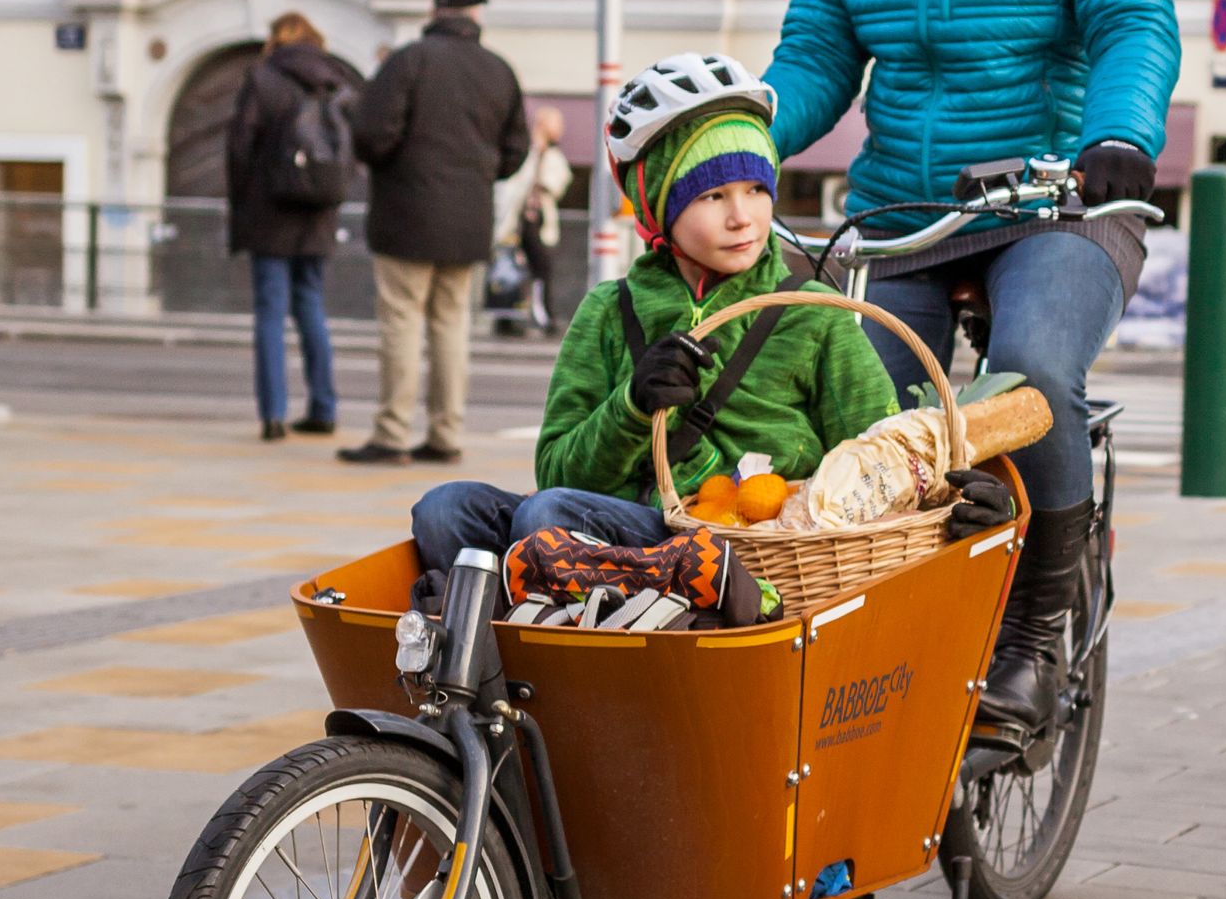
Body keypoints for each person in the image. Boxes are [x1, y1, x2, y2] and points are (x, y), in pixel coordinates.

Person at [763, 0, 1178, 729]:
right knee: (850, 427)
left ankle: (1039, 631)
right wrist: (742, 136)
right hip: (902, 205)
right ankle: (889, 642)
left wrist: (1117, 138)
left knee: (1032, 378)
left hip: (1054, 199)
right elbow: (816, 53)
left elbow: (1134, 16)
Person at [410, 56, 981, 573]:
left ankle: (547, 626)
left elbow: (882, 456)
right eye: (713, 196)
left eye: (757, 189)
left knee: (550, 519)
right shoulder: (610, 311)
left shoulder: (812, 314)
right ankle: (494, 650)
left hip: (747, 546)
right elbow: (558, 473)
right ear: (659, 203)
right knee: (445, 509)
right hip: (625, 522)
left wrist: (959, 499)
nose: (744, 218)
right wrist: (632, 407)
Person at [345, 0, 529, 468]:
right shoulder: (498, 70)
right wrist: (476, 174)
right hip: (468, 222)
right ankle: (447, 433)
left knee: (402, 322)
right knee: (451, 327)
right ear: (475, 16)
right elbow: (516, 151)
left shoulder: (408, 61)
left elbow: (370, 133)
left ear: (435, 11)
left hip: (406, 216)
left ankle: (392, 434)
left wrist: (393, 164)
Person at [222, 12, 350, 443]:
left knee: (271, 314)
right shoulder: (332, 81)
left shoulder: (263, 80)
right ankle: (324, 408)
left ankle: (274, 415)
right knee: (312, 308)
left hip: (270, 213)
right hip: (317, 214)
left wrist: (241, 203)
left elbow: (239, 147)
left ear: (277, 40)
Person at [498, 105, 575, 337]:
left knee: (536, 268)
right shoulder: (529, 152)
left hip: (536, 220)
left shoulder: (549, 154)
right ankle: (515, 317)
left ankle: (533, 316)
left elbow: (557, 182)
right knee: (517, 267)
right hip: (522, 220)